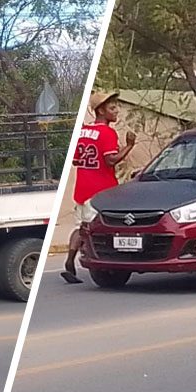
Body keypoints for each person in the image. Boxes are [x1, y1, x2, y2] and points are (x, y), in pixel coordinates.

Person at [62, 91, 136, 284]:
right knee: (100, 228)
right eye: (112, 108)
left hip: (82, 188)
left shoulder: (83, 131)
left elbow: (76, 160)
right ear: (101, 110)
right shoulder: (107, 133)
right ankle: (100, 262)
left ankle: (70, 260)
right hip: (101, 191)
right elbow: (110, 160)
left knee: (81, 227)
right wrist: (129, 146)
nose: (116, 111)